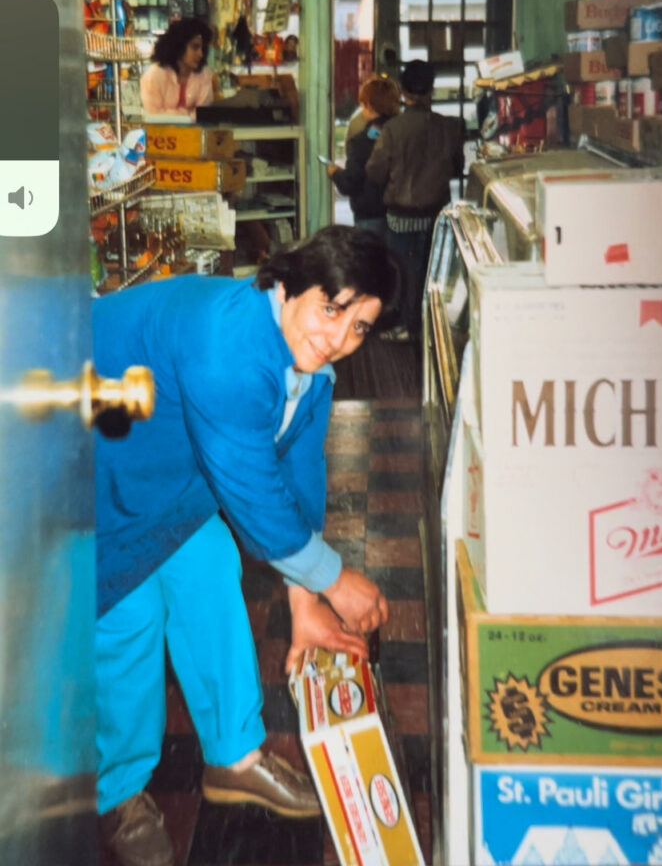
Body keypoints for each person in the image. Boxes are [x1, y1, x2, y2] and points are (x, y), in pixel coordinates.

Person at [93, 226, 402, 866]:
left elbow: (299, 473)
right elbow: (254, 493)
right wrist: (333, 579)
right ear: (289, 286)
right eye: (332, 308)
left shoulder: (308, 366)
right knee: (130, 613)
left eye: (360, 327)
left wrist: (304, 601)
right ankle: (117, 792)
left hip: (160, 468)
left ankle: (233, 757)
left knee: (209, 564)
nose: (340, 338)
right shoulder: (231, 346)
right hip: (86, 462)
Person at [365, 59, 464, 342]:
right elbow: (457, 168)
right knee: (432, 274)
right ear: (431, 91)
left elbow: (374, 171)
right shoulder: (450, 128)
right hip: (436, 215)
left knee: (401, 273)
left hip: (401, 216)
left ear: (403, 93)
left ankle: (402, 326)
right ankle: (429, 329)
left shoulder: (393, 130)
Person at [325, 75, 401, 243]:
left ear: (368, 105)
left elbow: (351, 183)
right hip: (401, 215)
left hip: (370, 215)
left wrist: (335, 173)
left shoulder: (361, 141)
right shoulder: (403, 133)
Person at [140, 16, 215, 119]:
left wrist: (171, 114)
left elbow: (203, 115)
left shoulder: (204, 74)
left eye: (203, 49)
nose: (200, 54)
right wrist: (188, 114)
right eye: (195, 47)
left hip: (195, 134)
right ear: (179, 46)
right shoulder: (154, 75)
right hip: (161, 134)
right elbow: (154, 116)